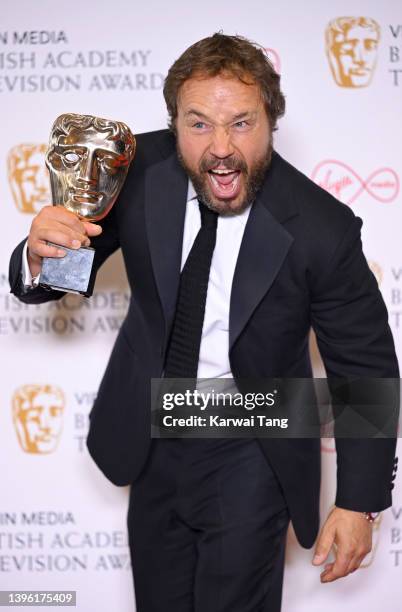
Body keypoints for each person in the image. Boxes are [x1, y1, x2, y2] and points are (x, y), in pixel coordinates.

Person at [9, 33, 399, 611]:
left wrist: (358, 500)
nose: (221, 148)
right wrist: (40, 256)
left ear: (271, 120)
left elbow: (363, 365)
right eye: (198, 125)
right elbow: (65, 272)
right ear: (174, 124)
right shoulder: (129, 171)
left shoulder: (323, 227)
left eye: (241, 123)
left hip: (254, 443)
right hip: (152, 432)